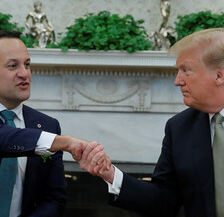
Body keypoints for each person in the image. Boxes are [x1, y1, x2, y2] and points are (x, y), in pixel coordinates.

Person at [78, 28, 224, 217]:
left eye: (186, 70)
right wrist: (111, 174)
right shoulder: (180, 127)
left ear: (219, 76)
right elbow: (164, 201)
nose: (177, 81)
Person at [0, 30, 110, 217]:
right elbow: (5, 138)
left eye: (27, 65)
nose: (24, 73)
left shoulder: (48, 126)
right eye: (13, 66)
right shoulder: (53, 138)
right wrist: (66, 143)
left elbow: (53, 198)